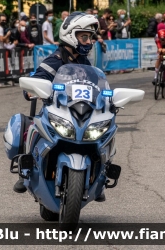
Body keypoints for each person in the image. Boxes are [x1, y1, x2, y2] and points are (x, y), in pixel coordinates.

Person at [13, 12, 105, 203]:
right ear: (71, 36)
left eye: (90, 37)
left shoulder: (85, 63)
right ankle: (25, 170)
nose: (88, 41)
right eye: (84, 37)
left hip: (81, 115)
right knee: (32, 127)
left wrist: (107, 99)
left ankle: (101, 175)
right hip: (56, 112)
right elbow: (35, 80)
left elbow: (99, 87)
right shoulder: (54, 61)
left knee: (105, 130)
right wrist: (32, 89)